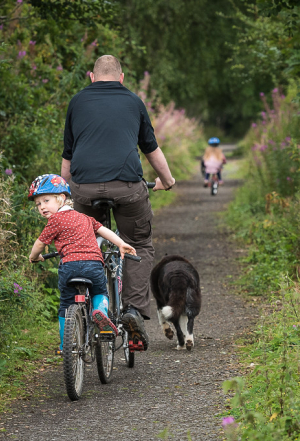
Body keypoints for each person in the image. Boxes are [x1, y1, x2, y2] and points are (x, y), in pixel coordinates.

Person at [60, 55, 176, 351]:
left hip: (83, 189)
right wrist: (168, 180)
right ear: (121, 78)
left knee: (85, 241)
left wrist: (65, 196)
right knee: (138, 242)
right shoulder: (134, 101)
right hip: (127, 188)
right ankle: (133, 310)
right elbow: (150, 148)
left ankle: (89, 301)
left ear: (91, 76)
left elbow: (68, 157)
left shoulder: (77, 102)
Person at [28, 174, 137, 355]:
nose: (42, 207)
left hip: (69, 267)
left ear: (61, 198)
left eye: (46, 201)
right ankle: (100, 312)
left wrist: (34, 257)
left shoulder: (54, 221)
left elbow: (40, 244)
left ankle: (66, 346)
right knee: (99, 291)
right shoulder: (85, 218)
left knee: (65, 305)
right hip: (94, 264)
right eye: (38, 204)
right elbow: (104, 231)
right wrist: (120, 244)